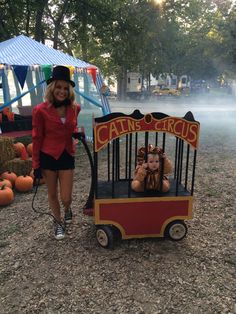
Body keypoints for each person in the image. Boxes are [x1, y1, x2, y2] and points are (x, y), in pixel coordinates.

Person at [32, 65, 81, 240]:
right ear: (52, 88)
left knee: (66, 197)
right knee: (52, 194)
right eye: (58, 87)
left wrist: (77, 133)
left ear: (69, 90)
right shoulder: (40, 110)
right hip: (48, 156)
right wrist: (36, 165)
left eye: (65, 88)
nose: (62, 91)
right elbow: (37, 137)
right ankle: (58, 222)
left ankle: (67, 209)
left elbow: (73, 126)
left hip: (67, 155)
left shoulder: (75, 108)